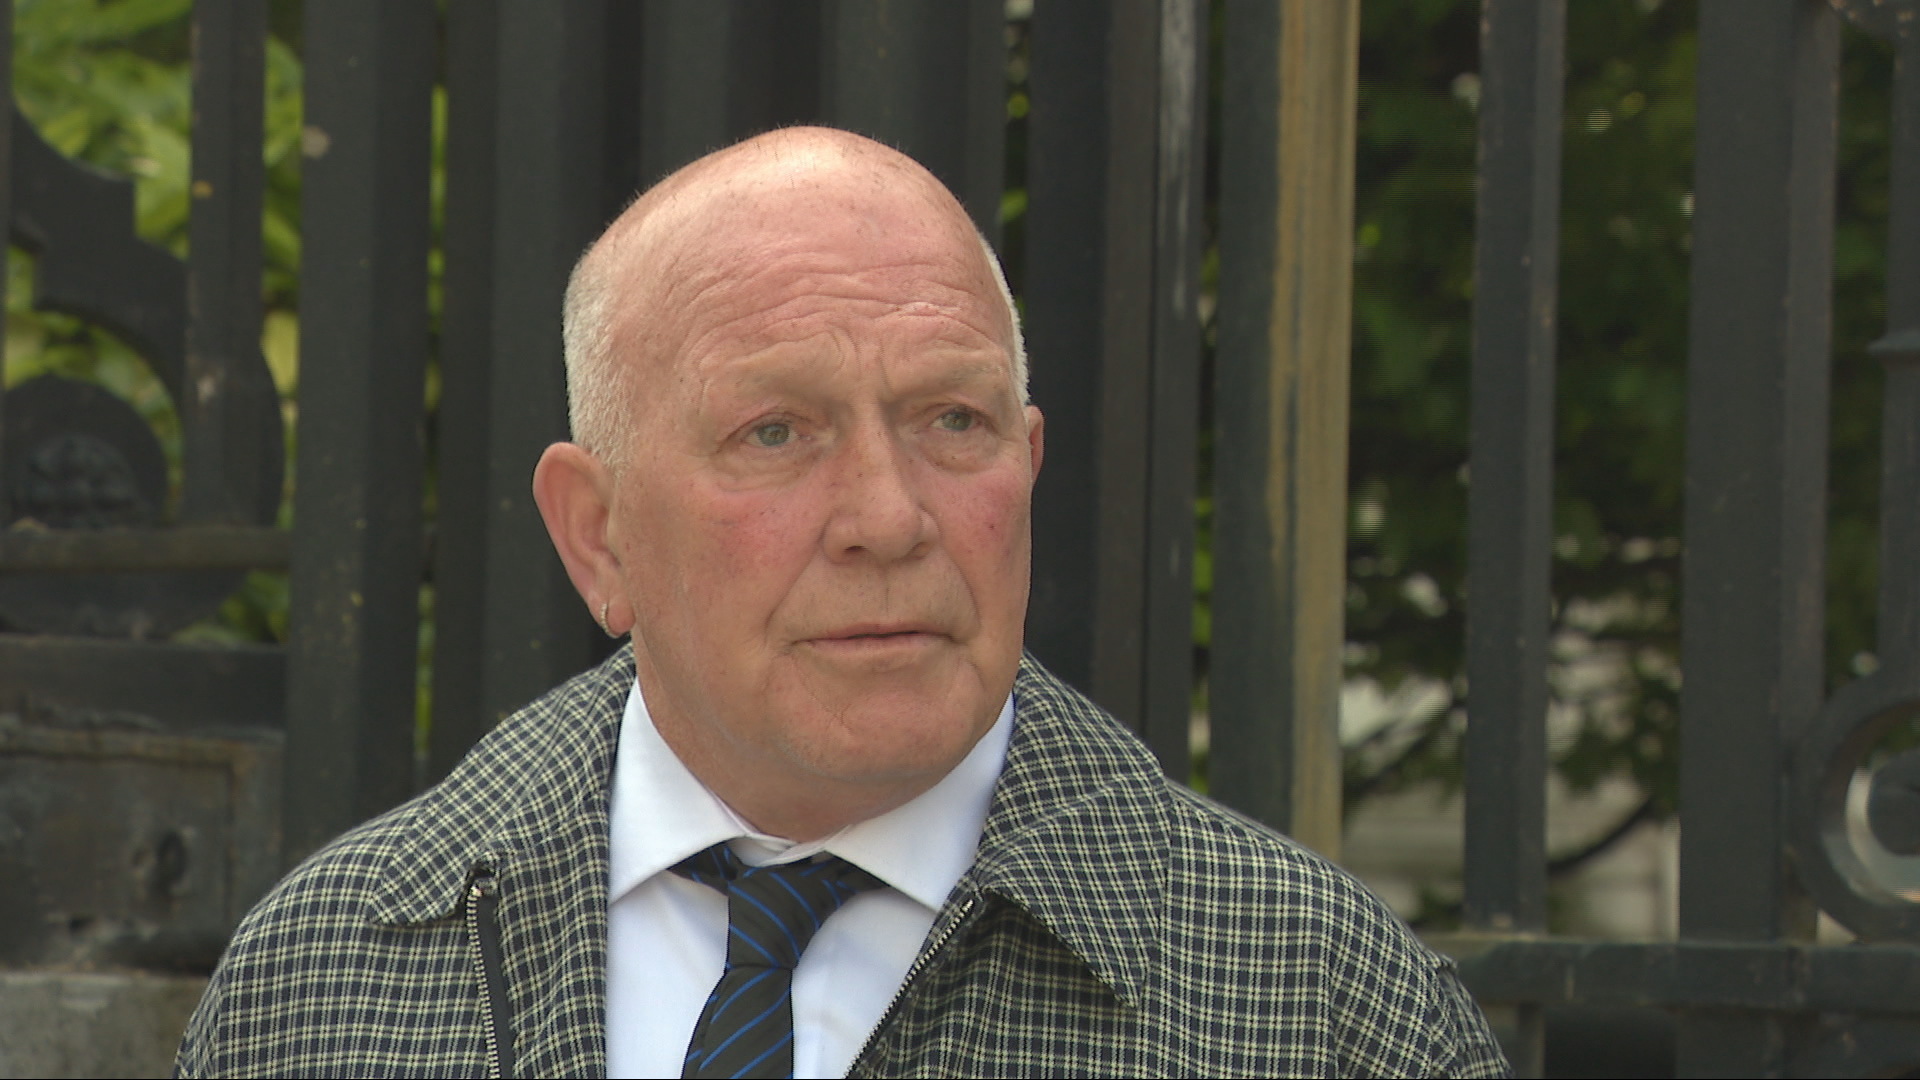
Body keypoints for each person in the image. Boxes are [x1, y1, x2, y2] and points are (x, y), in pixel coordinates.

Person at [175, 126, 1510, 1078]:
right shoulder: (329, 976)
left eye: (953, 420)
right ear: (598, 534)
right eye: (776, 432)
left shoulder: (1310, 1005)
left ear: (1028, 465)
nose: (889, 515)